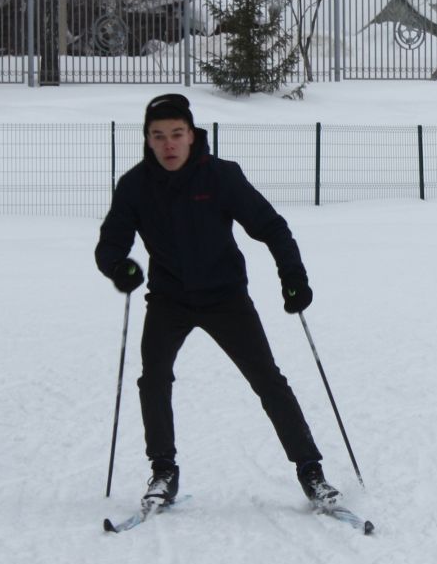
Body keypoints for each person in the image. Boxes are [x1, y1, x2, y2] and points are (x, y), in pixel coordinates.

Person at [94, 92, 339, 514]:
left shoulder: (221, 177)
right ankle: (163, 471)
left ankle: (311, 471)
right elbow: (109, 245)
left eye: (176, 134)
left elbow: (272, 228)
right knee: (153, 378)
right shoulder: (135, 186)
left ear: (192, 135)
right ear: (148, 140)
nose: (168, 144)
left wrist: (294, 278)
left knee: (268, 380)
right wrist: (120, 268)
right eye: (158, 136)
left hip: (226, 298)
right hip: (169, 300)